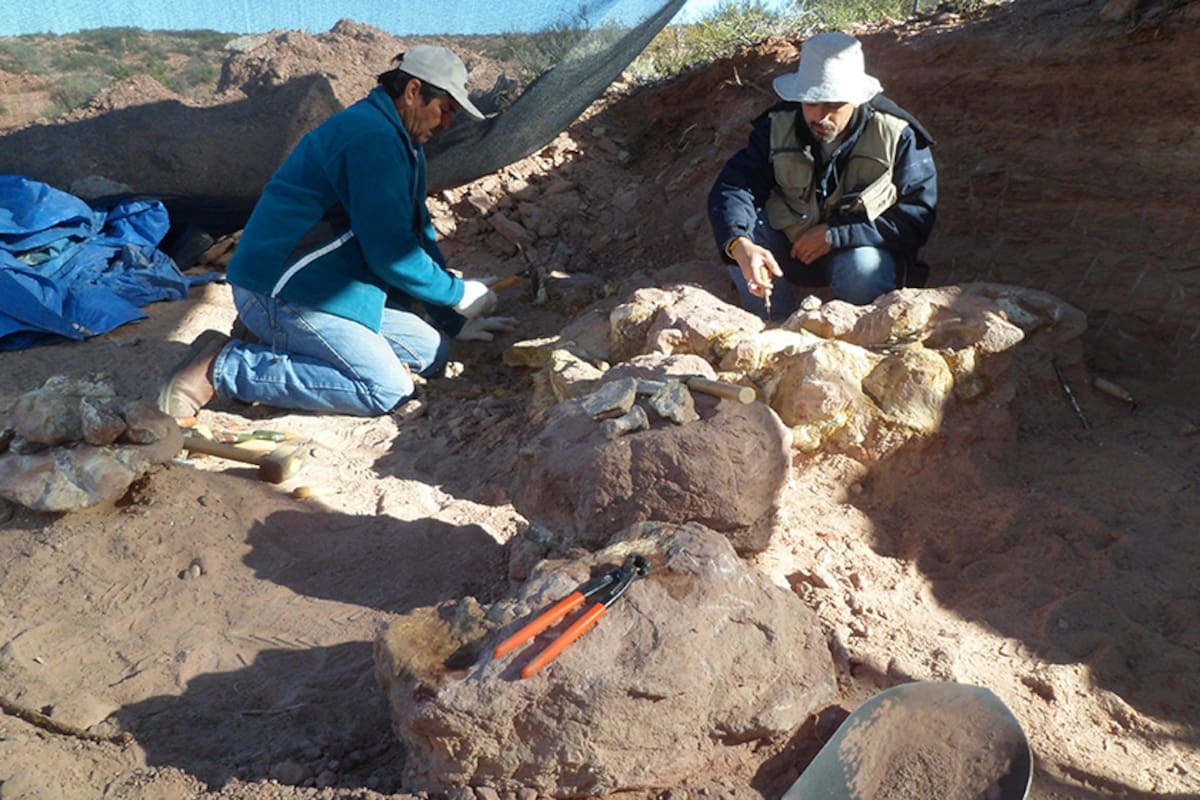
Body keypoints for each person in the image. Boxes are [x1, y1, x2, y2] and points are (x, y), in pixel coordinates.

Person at [158, 45, 517, 418]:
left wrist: (451, 317)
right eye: (446, 109)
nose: (446, 124)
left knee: (432, 352)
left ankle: (270, 340)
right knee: (387, 389)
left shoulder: (402, 144)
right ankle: (221, 366)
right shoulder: (370, 138)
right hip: (281, 290)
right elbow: (391, 253)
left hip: (326, 287)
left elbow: (418, 235)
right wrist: (456, 293)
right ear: (413, 91)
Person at [708, 31, 937, 317]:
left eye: (833, 104)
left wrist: (836, 235)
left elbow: (916, 218)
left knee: (863, 268)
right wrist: (739, 244)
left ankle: (860, 333)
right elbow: (735, 186)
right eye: (811, 102)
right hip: (791, 248)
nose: (820, 116)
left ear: (857, 99)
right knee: (739, 237)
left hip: (859, 255)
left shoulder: (899, 136)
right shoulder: (776, 127)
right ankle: (772, 327)